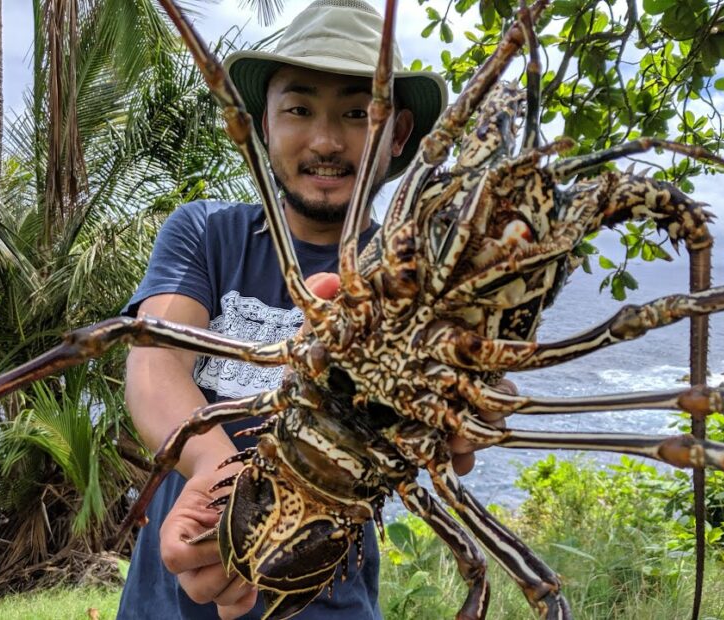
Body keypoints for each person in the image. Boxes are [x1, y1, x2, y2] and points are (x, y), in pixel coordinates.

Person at [116, 1, 512, 618]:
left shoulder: (417, 278)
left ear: (397, 134)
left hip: (332, 591)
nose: (327, 141)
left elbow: (454, 421)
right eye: (299, 109)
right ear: (262, 125)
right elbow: (154, 362)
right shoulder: (206, 232)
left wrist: (468, 398)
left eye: (358, 114)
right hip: (175, 592)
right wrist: (221, 476)